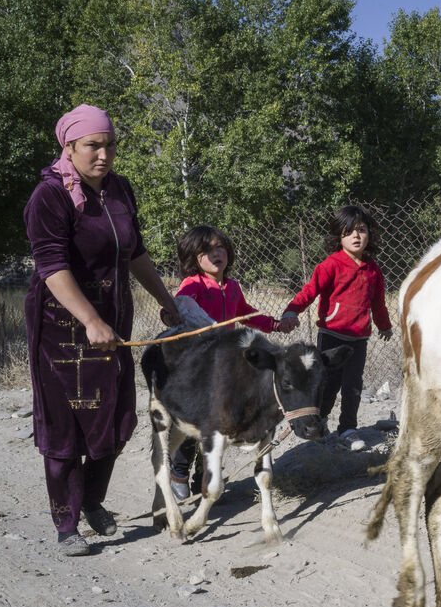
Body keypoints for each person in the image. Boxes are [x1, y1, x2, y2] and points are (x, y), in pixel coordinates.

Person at [24, 104, 182, 556]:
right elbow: (51, 266)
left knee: (116, 418)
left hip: (113, 325)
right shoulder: (49, 197)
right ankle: (66, 525)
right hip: (60, 331)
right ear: (69, 146)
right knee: (66, 428)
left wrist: (165, 299)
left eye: (110, 145)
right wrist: (90, 320)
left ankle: (93, 501)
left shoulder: (119, 189)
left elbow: (136, 252)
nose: (104, 154)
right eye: (93, 145)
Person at [167, 225, 295, 500]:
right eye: (206, 250)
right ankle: (179, 473)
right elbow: (179, 308)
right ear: (193, 257)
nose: (216, 253)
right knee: (193, 424)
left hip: (224, 367)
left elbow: (246, 314)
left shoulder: (233, 287)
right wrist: (171, 315)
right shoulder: (193, 285)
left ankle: (204, 479)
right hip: (199, 366)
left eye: (220, 247)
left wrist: (274, 324)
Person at [280, 206, 392, 449]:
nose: (356, 235)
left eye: (361, 230)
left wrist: (384, 326)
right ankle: (318, 423)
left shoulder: (373, 270)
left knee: (353, 386)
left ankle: (348, 429)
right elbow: (309, 291)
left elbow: (378, 303)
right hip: (331, 336)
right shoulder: (330, 265)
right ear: (338, 236)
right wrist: (292, 310)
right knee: (328, 384)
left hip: (358, 341)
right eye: (348, 231)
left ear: (369, 234)